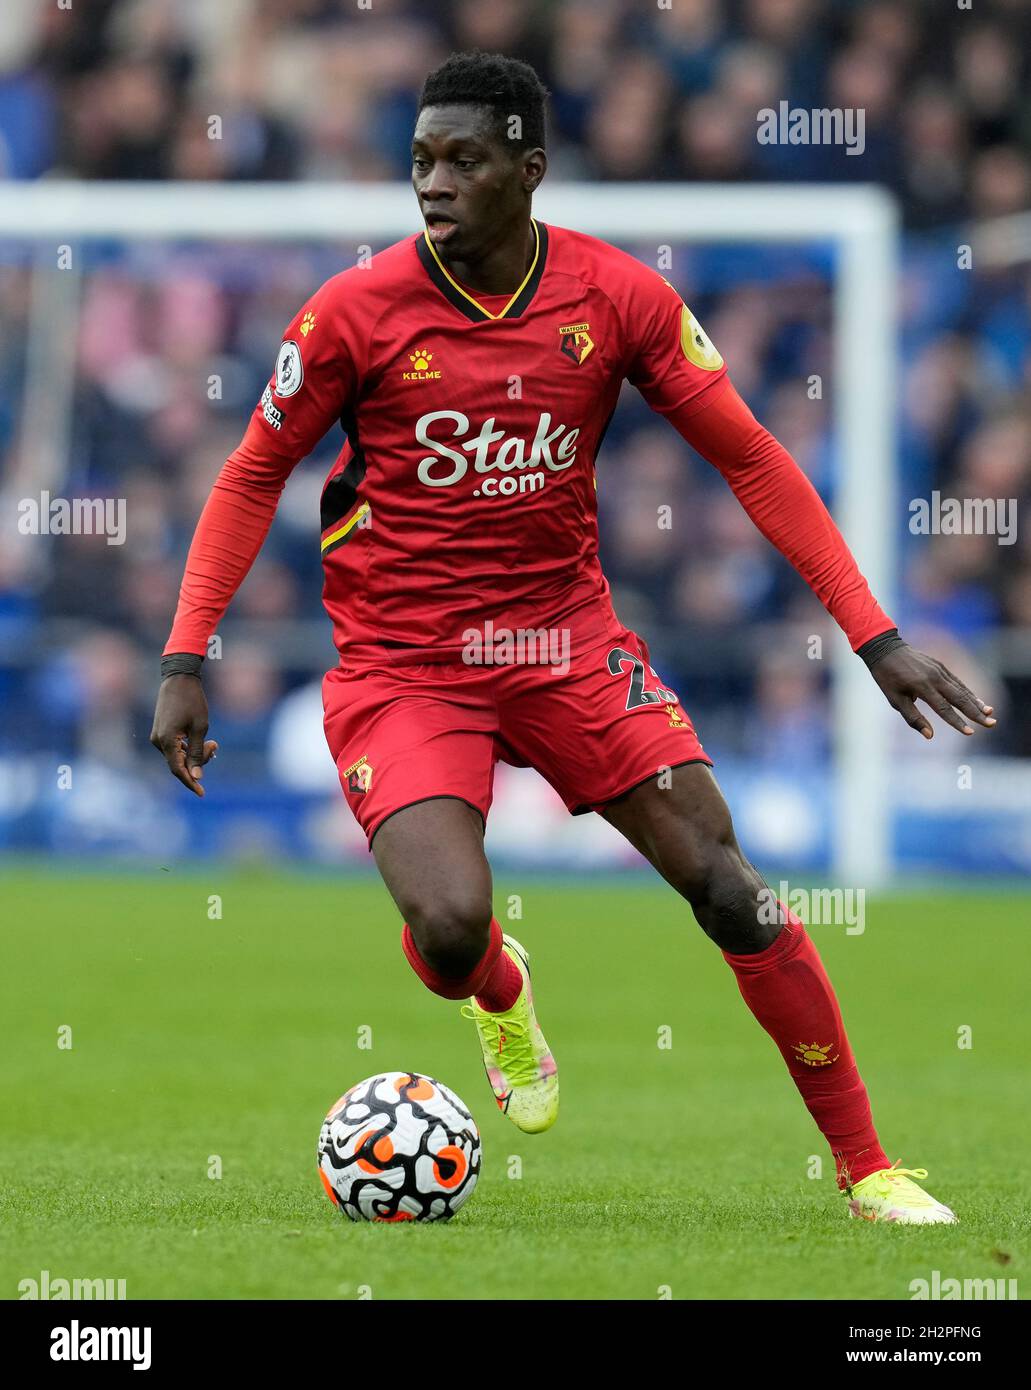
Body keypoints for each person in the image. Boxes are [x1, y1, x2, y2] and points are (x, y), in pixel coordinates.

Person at [152, 51, 995, 1224]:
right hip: (406, 665)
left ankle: (867, 1170)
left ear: (528, 170)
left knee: (729, 890)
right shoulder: (352, 312)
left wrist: (874, 634)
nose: (433, 185)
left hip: (563, 643)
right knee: (447, 926)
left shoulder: (615, 297)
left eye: (463, 161)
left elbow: (749, 457)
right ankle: (498, 991)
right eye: (419, 162)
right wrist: (185, 655)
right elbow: (250, 476)